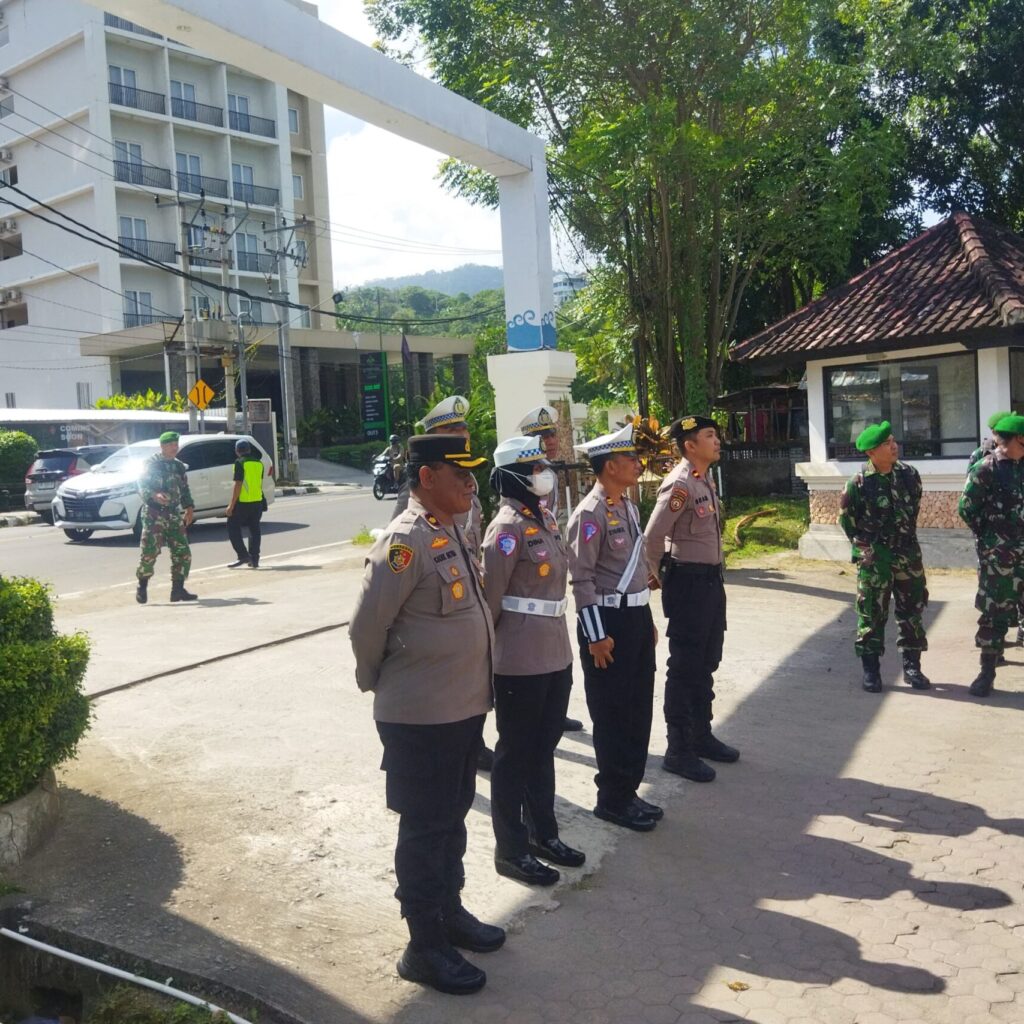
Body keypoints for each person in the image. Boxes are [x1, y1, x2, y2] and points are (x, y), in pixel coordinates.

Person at [349, 433, 504, 995]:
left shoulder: (453, 531)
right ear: (425, 478)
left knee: (453, 818)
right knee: (425, 827)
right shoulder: (404, 542)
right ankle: (423, 945)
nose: (470, 482)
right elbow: (368, 625)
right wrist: (377, 680)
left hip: (461, 709)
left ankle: (449, 912)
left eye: (471, 473)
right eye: (458, 473)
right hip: (420, 716)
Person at [481, 436, 586, 887]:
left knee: (543, 752)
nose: (544, 472)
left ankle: (545, 834)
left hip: (553, 652)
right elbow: (491, 604)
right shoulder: (505, 529)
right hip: (520, 659)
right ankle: (512, 849)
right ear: (513, 478)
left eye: (544, 464)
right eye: (535, 466)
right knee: (515, 756)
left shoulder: (541, 519)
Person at [567, 422, 661, 832]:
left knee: (638, 709)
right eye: (628, 459)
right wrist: (595, 635)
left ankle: (629, 790)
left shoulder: (627, 506)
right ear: (608, 467)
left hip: (634, 617)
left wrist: (648, 618)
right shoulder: (589, 514)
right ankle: (612, 798)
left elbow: (636, 570)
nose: (636, 464)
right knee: (613, 712)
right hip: (607, 622)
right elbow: (581, 578)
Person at [394, 395, 492, 770]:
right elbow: (405, 539)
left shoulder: (466, 484)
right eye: (454, 430)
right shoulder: (419, 489)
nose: (463, 435)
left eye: (463, 429)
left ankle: (476, 742)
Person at [644, 415, 738, 783]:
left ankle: (701, 734)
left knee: (707, 661)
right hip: (689, 583)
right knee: (684, 667)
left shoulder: (704, 479)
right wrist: (661, 578)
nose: (717, 441)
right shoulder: (680, 484)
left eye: (716, 434)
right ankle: (678, 749)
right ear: (690, 445)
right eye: (710, 435)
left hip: (711, 583)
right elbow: (652, 537)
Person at [838, 421, 930, 693]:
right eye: (887, 443)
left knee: (912, 610)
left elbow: (913, 509)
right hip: (875, 557)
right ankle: (871, 671)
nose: (894, 446)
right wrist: (867, 547)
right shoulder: (858, 483)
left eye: (893, 440)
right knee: (872, 613)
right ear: (871, 452)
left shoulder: (910, 475)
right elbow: (847, 521)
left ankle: (912, 667)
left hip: (907, 554)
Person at [517, 403, 584, 734]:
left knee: (557, 638)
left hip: (550, 562)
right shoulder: (527, 474)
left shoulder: (549, 472)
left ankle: (556, 712)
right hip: (530, 567)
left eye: (553, 433)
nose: (551, 439)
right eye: (543, 435)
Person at [958, 413, 1024, 697]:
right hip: (999, 557)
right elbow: (966, 508)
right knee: (994, 614)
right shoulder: (986, 468)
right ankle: (987, 672)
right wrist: (990, 539)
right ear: (1012, 440)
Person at [135, 431, 196, 604]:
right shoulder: (151, 464)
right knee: (150, 551)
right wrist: (154, 495)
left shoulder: (178, 466)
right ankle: (142, 586)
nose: (174, 448)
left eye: (176, 444)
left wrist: (189, 507)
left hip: (173, 513)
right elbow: (141, 485)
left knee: (182, 551)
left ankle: (177, 590)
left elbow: (184, 489)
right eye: (170, 445)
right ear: (162, 446)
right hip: (154, 513)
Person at [226, 439, 266, 569]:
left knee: (232, 526)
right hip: (257, 501)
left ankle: (243, 555)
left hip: (243, 502)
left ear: (237, 451)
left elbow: (238, 484)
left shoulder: (239, 463)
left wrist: (231, 505)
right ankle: (255, 559)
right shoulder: (259, 463)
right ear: (249, 450)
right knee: (255, 529)